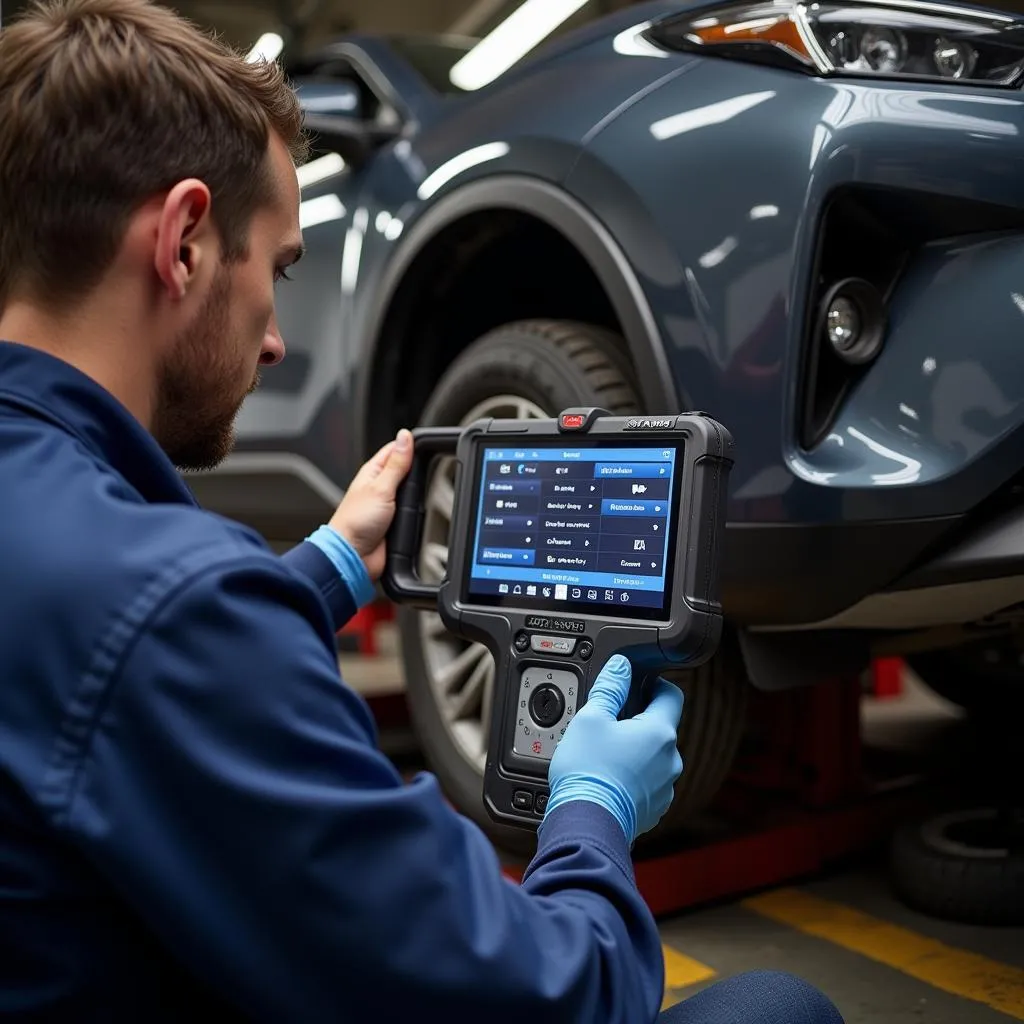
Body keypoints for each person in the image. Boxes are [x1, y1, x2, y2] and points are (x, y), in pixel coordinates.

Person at [0, 1, 845, 1021]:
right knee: (773, 1005)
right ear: (182, 242)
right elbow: (563, 995)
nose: (274, 341)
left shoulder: (86, 556)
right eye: (278, 267)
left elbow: (103, 658)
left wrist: (327, 564)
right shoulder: (168, 605)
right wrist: (590, 812)